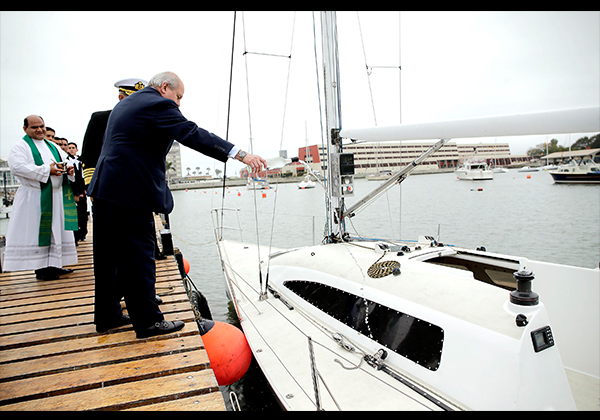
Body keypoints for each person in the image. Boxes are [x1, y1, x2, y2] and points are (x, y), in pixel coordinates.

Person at [88, 71, 267, 339]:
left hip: (105, 189)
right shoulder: (157, 103)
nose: (179, 103)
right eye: (178, 96)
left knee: (109, 258)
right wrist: (240, 154)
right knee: (139, 257)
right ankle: (148, 322)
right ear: (164, 88)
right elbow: (191, 133)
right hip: (129, 193)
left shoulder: (126, 104)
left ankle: (107, 315)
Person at [3, 115, 78, 280]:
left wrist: (69, 169)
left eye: (42, 126)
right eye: (35, 127)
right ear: (25, 129)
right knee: (42, 232)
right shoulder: (20, 147)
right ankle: (42, 268)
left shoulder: (52, 146)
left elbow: (66, 161)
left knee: (57, 232)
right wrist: (46, 170)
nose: (40, 130)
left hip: (56, 196)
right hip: (36, 198)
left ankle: (55, 264)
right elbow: (18, 168)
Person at [80, 78, 148, 188]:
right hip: (108, 185)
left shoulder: (149, 123)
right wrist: (92, 185)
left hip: (141, 185)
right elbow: (90, 155)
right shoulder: (101, 119)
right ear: (121, 98)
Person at [66, 141, 88, 242]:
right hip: (72, 192)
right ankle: (75, 234)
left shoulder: (80, 161)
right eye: (69, 147)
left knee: (83, 213)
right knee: (75, 213)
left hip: (82, 191)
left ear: (76, 149)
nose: (71, 149)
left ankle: (83, 232)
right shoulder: (67, 161)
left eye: (73, 147)